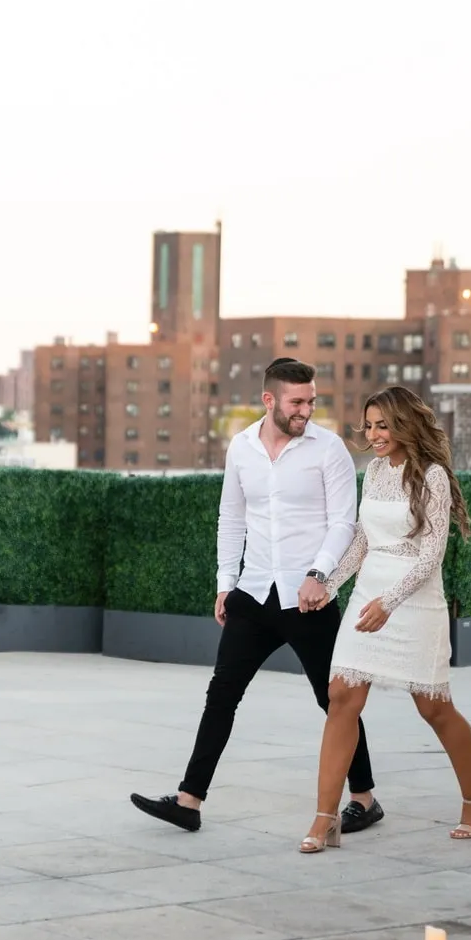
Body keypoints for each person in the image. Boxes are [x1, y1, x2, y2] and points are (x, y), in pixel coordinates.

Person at [131, 357, 382, 835]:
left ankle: (364, 799)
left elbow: (343, 524)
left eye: (311, 400)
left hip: (310, 598)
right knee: (221, 695)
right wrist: (226, 583)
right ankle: (189, 800)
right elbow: (231, 518)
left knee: (335, 701)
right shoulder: (241, 447)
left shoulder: (328, 450)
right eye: (297, 401)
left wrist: (319, 575)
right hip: (253, 592)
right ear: (269, 400)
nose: (306, 409)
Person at [300, 385, 471, 852]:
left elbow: (432, 555)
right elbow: (365, 541)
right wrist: (328, 584)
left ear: (405, 423)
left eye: (382, 425)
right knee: (341, 695)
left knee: (433, 707)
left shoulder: (431, 477)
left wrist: (389, 602)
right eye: (369, 426)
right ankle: (325, 818)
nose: (374, 434)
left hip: (413, 601)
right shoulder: (373, 473)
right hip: (369, 592)